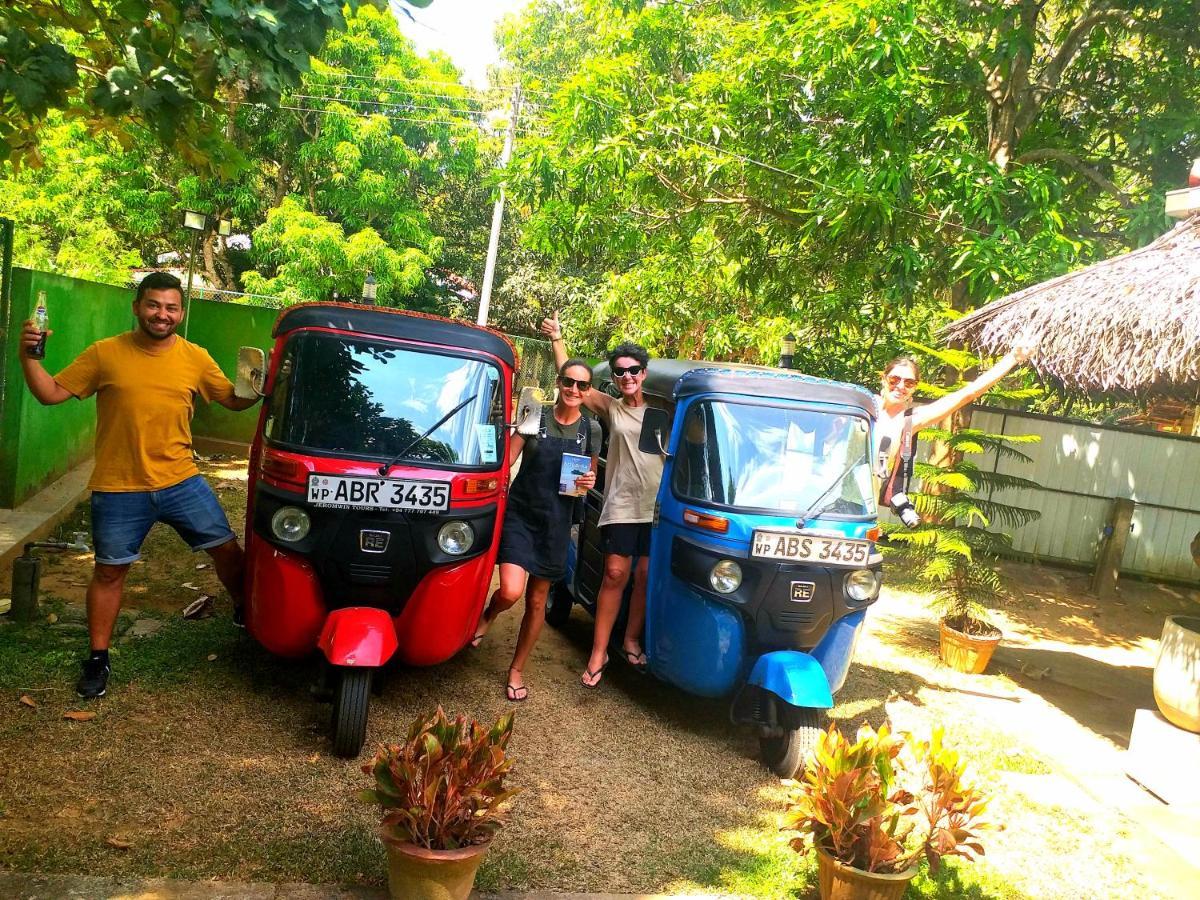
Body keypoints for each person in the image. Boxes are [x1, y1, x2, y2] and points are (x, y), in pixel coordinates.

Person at [19, 272, 259, 699]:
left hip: (181, 480)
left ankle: (245, 612)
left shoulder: (195, 357)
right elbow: (51, 394)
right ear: (137, 307)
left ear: (181, 312)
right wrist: (29, 359)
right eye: (153, 305)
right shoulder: (105, 354)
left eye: (170, 307)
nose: (161, 315)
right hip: (118, 485)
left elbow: (233, 400)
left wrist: (260, 381)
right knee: (110, 572)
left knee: (227, 550)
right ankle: (98, 658)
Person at [540, 312, 664, 688]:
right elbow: (572, 380)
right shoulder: (612, 408)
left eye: (634, 370)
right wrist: (557, 339)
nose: (627, 376)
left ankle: (630, 639)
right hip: (622, 505)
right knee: (615, 575)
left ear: (643, 373)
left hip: (659, 510)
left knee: (644, 576)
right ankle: (599, 651)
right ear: (614, 378)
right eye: (620, 372)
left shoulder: (666, 414)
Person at [469, 359, 600, 701]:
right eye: (569, 382)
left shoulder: (592, 430)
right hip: (522, 515)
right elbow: (507, 461)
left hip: (557, 522)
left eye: (582, 385)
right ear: (558, 382)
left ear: (588, 392)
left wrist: (589, 480)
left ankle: (517, 670)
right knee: (511, 591)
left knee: (538, 600)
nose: (574, 390)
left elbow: (590, 476)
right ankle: (491, 612)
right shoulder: (533, 413)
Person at [874, 343, 1033, 505]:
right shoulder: (862, 406)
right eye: (894, 379)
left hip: (863, 509)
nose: (900, 386)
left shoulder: (911, 421)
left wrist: (1013, 358)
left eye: (909, 383)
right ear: (883, 379)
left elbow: (967, 394)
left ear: (914, 388)